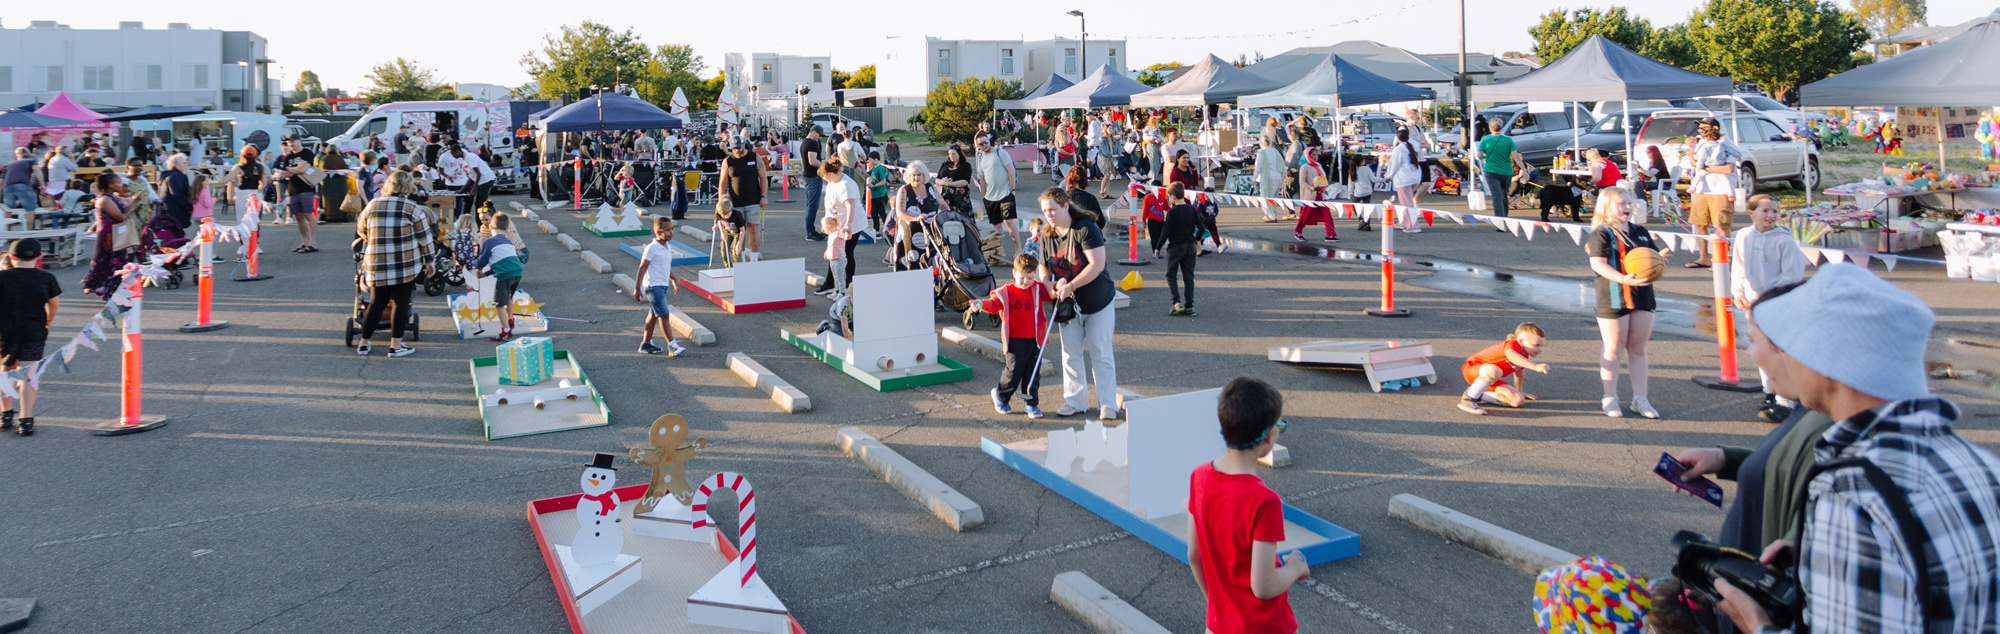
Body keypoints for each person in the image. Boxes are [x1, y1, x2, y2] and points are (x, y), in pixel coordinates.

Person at [1711, 263, 2000, 634]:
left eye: (1792, 345)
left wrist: (1758, 626)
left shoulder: (1851, 493)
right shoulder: (1978, 464)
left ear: (1826, 361)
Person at [1188, 377, 1309, 634]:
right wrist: (1294, 568)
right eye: (1279, 425)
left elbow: (1194, 556)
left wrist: (1217, 606)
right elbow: (1263, 587)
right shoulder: (1264, 501)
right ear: (1268, 437)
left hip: (1219, 625)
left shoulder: (1199, 477)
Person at [1038, 188, 1120, 420]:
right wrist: (1047, 284)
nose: (1049, 215)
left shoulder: (1086, 229)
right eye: (1045, 211)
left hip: (1098, 301)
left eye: (1053, 209)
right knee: (1070, 353)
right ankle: (1074, 401)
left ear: (1066, 206)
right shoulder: (1048, 235)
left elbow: (1097, 265)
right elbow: (1044, 266)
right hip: (1067, 305)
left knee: (1101, 352)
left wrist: (1071, 286)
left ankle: (1108, 404)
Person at [1585, 187, 1661, 419]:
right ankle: (1610, 398)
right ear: (1607, 207)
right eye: (1622, 204)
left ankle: (1640, 399)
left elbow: (1651, 257)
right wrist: (1621, 278)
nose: (1628, 207)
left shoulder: (1640, 231)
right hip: (1613, 294)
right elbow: (1597, 264)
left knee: (1638, 349)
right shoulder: (1601, 233)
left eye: (1629, 203)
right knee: (1613, 349)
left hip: (1642, 294)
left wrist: (1661, 259)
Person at [1731, 195, 1807, 423]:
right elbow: (1739, 267)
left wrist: (1766, 297)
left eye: (1775, 211)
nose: (1771, 216)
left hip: (1779, 303)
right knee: (1761, 348)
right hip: (1753, 303)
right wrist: (1738, 292)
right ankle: (1769, 391)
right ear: (1751, 212)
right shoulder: (1743, 236)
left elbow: (1791, 276)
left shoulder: (1784, 241)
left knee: (1780, 350)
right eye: (1765, 211)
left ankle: (1787, 399)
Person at [354, 171, 434, 357]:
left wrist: (377, 241)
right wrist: (429, 260)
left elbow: (362, 230)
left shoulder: (372, 205)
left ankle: (364, 343)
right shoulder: (412, 208)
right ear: (408, 187)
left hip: (376, 262)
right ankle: (396, 346)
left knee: (376, 302)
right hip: (404, 263)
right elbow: (424, 238)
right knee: (401, 302)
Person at [982, 253, 1054, 419]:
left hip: (1035, 340)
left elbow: (1051, 294)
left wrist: (1059, 285)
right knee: (1013, 372)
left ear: (1035, 274)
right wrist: (981, 304)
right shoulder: (1006, 291)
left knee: (1033, 373)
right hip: (1015, 340)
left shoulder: (1037, 289)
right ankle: (1001, 396)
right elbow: (994, 305)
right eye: (1022, 278)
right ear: (1014, 273)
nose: (1026, 282)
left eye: (1030, 278)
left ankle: (1031, 403)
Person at [0, 238, 59, 437]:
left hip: (5, 332)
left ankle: (5, 414)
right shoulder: (46, 278)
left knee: (6, 371)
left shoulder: (2, 277)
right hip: (34, 331)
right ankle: (26, 419)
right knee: (28, 373)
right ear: (39, 257)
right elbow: (54, 304)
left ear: (11, 256)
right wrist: (48, 322)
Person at [1456, 322, 1551, 415]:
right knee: (1495, 370)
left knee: (1517, 401)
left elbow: (1519, 373)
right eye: (1536, 345)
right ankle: (1467, 400)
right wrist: (1535, 366)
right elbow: (1511, 355)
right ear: (1521, 341)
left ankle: (1478, 393)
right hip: (1473, 370)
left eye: (1542, 345)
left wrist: (1520, 391)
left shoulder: (1524, 354)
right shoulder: (1512, 344)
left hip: (1490, 379)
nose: (1540, 349)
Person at [1687, 118, 1740, 268]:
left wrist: (1705, 169)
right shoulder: (1703, 143)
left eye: (1704, 128)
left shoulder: (1726, 144)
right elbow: (1695, 163)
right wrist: (1691, 148)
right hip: (1702, 189)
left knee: (1721, 224)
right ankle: (1703, 258)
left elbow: (1728, 169)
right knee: (1700, 223)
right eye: (1699, 128)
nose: (1700, 131)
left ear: (1715, 128)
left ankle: (1722, 260)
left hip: (1721, 191)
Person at [632, 216, 687, 357]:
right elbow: (642, 267)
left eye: (672, 229)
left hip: (662, 285)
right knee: (664, 314)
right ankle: (672, 345)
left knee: (653, 315)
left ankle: (646, 344)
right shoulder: (652, 248)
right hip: (652, 286)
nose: (671, 232)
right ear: (658, 232)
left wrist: (673, 278)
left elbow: (664, 266)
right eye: (667, 230)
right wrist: (637, 288)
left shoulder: (667, 247)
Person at [469, 212, 526, 342]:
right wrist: (485, 274)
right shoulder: (508, 241)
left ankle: (506, 331)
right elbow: (501, 262)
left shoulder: (489, 241)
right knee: (509, 296)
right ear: (506, 229)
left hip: (505, 274)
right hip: (518, 272)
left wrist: (473, 264)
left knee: (499, 303)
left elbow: (482, 261)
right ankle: (510, 319)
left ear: (490, 227)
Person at [812, 160, 862, 296]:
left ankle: (848, 285)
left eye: (825, 177)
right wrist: (826, 224)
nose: (825, 180)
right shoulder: (831, 184)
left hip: (850, 224)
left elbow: (850, 206)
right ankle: (832, 283)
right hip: (835, 225)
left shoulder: (846, 184)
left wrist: (848, 225)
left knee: (845, 252)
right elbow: (829, 205)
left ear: (829, 173)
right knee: (834, 253)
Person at [720, 138, 768, 261]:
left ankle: (754, 258)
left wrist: (764, 196)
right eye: (734, 148)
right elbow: (723, 183)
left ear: (744, 145)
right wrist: (722, 202)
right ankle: (739, 258)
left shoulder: (754, 157)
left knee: (753, 229)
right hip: (735, 203)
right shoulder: (728, 161)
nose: (737, 150)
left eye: (739, 147)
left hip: (753, 200)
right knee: (739, 232)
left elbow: (763, 178)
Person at [974, 137, 1021, 256]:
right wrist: (983, 197)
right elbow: (982, 179)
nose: (984, 145)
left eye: (986, 142)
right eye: (981, 144)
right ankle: (999, 251)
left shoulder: (1000, 153)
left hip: (1005, 194)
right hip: (990, 197)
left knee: (1009, 221)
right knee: (997, 225)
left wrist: (1012, 190)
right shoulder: (981, 159)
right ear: (977, 146)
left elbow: (1011, 170)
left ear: (989, 141)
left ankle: (1018, 249)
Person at [890, 161, 940, 272]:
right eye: (914, 175)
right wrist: (915, 218)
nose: (916, 177)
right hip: (910, 234)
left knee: (930, 261)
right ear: (909, 176)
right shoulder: (904, 190)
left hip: (930, 232)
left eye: (919, 175)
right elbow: (900, 212)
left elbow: (943, 204)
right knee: (911, 264)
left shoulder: (930, 188)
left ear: (924, 176)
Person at [1160, 183, 1201, 317]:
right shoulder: (1192, 209)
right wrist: (1197, 239)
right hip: (1190, 246)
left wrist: (1157, 247)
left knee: (1171, 274)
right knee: (1188, 276)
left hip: (1176, 246)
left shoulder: (1172, 212)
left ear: (1172, 196)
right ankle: (1190, 306)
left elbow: (1165, 232)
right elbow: (1201, 227)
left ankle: (1176, 303)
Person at [277, 138, 319, 252]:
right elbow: (283, 174)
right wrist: (296, 169)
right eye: (289, 142)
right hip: (292, 189)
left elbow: (304, 169)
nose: (291, 144)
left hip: (306, 187)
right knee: (298, 216)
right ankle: (305, 242)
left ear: (299, 141)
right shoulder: (288, 157)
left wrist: (291, 169)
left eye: (293, 141)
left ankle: (313, 243)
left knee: (308, 214)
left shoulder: (307, 153)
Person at [1477, 117, 1519, 219]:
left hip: (1491, 171)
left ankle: (1500, 221)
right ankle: (1505, 217)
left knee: (1496, 196)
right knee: (1504, 196)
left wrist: (1485, 156)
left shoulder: (1485, 139)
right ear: (1501, 127)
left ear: (1489, 128)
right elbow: (1515, 156)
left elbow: (1479, 156)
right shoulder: (1508, 140)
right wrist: (1523, 169)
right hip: (1506, 172)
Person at [1389, 128, 1424, 233]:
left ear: (1398, 137)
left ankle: (1413, 225)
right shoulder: (1415, 145)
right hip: (1415, 176)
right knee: (1403, 201)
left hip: (1404, 179)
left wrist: (1388, 175)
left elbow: (1394, 165)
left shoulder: (1399, 149)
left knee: (1407, 203)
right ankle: (1403, 222)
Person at [799, 128, 828, 241]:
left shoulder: (805, 142)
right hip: (813, 177)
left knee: (810, 204)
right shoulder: (811, 143)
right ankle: (810, 232)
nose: (820, 138)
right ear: (814, 132)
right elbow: (812, 161)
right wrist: (825, 166)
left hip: (808, 176)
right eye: (819, 135)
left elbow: (804, 161)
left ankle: (810, 230)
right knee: (812, 205)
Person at [157, 153, 194, 233]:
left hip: (168, 211)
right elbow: (178, 194)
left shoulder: (168, 175)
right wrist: (189, 207)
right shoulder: (175, 176)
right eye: (184, 163)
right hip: (174, 212)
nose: (186, 165)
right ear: (176, 165)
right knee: (175, 236)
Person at [1254, 140, 1288, 222]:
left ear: (1261, 144)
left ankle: (1271, 216)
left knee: (1266, 197)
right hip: (1277, 176)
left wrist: (1254, 178)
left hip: (1267, 177)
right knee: (1273, 197)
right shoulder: (1275, 151)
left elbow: (1259, 166)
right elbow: (1281, 163)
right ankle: (1273, 215)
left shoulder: (1261, 152)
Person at [1063, 165, 1104, 231]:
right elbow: (1101, 222)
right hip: (1087, 232)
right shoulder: (1090, 198)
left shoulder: (1063, 197)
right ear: (1084, 180)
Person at [937, 144, 974, 216]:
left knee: (961, 218)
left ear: (959, 154)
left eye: (953, 154)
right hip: (946, 198)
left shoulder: (966, 165)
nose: (951, 156)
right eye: (949, 154)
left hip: (960, 198)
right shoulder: (944, 164)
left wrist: (949, 184)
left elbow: (965, 181)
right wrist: (942, 182)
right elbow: (937, 178)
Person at [1346, 155, 1380, 231]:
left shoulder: (1352, 170)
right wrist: (1384, 180)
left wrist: (1349, 195)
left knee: (1353, 206)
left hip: (1358, 193)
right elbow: (1374, 179)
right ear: (1361, 162)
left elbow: (1350, 185)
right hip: (1368, 191)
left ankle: (1361, 220)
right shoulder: (1367, 169)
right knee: (1367, 207)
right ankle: (1367, 224)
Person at [4, 147, 43, 211]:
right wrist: (42, 184)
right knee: (30, 209)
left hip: (7, 187)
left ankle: (10, 220)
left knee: (9, 210)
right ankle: (29, 221)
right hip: (22, 185)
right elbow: (36, 169)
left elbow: (2, 179)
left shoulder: (10, 164)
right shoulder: (31, 161)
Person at [862, 152, 892, 234]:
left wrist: (874, 185)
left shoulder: (880, 168)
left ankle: (888, 229)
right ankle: (876, 230)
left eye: (871, 160)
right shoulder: (874, 167)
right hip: (874, 194)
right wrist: (861, 166)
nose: (870, 162)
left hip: (880, 194)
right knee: (873, 212)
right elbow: (867, 174)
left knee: (882, 212)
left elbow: (883, 181)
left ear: (876, 159)